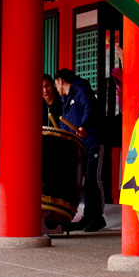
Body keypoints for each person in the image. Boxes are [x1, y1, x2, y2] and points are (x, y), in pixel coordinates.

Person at [54, 68, 106, 232]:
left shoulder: (81, 90)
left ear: (60, 81)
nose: (56, 88)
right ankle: (88, 217)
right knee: (86, 183)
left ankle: (98, 217)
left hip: (93, 142)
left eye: (56, 84)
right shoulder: (67, 100)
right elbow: (65, 123)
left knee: (93, 180)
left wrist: (83, 126)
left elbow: (90, 109)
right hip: (81, 146)